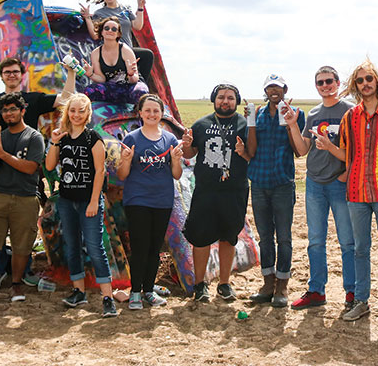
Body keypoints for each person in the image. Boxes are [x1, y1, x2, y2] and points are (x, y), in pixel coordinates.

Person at [0, 49, 75, 290]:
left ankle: (25, 269)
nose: (11, 75)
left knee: (26, 222)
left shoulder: (32, 98)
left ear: (21, 75)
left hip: (28, 169)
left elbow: (65, 99)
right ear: (1, 76)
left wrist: (71, 72)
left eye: (15, 72)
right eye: (7, 72)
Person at [315, 59, 378, 326]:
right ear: (355, 86)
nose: (365, 84)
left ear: (376, 82)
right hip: (356, 193)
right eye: (360, 80)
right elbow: (347, 154)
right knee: (360, 249)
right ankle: (361, 300)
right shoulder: (350, 117)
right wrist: (328, 147)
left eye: (369, 79)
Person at [285, 66, 356, 311]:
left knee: (348, 241)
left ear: (337, 83)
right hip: (315, 183)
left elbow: (357, 149)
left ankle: (352, 291)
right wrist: (293, 125)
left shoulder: (349, 110)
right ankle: (316, 290)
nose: (325, 85)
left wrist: (345, 176)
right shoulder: (314, 113)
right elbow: (303, 150)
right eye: (320, 82)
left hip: (339, 183)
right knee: (315, 240)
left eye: (329, 81)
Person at [44, 93, 117, 317]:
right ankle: (79, 292)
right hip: (67, 200)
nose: (76, 115)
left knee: (95, 247)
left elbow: (99, 171)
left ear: (87, 114)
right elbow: (49, 165)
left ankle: (108, 298)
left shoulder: (93, 138)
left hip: (88, 201)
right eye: (72, 110)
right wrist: (55, 142)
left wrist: (94, 200)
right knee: (72, 246)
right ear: (67, 113)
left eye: (81, 111)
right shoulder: (62, 137)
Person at [181, 83, 250, 303]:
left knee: (228, 237)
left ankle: (224, 283)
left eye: (230, 98)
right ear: (214, 100)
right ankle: (200, 284)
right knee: (200, 238)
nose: (225, 101)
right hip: (206, 190)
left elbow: (252, 154)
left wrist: (243, 151)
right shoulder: (201, 124)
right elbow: (190, 153)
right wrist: (187, 145)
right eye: (221, 97)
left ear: (236, 102)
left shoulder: (245, 125)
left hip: (234, 190)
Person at [0, 93, 45, 304]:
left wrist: (4, 154)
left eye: (13, 109)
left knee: (21, 246)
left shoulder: (34, 137)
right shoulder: (0, 138)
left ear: (22, 111)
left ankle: (17, 285)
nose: (9, 114)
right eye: (5, 110)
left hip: (25, 197)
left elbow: (30, 168)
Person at [245, 74, 306, 308]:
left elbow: (298, 150)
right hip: (259, 182)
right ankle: (267, 283)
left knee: (284, 237)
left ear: (284, 90)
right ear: (265, 91)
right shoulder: (258, 113)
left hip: (282, 182)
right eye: (270, 87)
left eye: (277, 87)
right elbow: (251, 150)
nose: (274, 91)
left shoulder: (295, 113)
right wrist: (250, 123)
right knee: (265, 238)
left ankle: (282, 284)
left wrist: (291, 123)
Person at [116, 94, 182, 310]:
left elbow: (176, 175)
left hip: (162, 200)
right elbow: (123, 175)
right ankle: (135, 292)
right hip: (138, 200)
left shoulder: (170, 140)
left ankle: (148, 290)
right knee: (140, 246)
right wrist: (125, 161)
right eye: (148, 110)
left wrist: (176, 161)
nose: (152, 114)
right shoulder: (132, 139)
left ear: (162, 114)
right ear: (141, 113)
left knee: (154, 248)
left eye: (156, 111)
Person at [80, 0, 154, 85]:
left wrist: (140, 8)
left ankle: (140, 85)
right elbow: (95, 35)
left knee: (147, 55)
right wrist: (87, 18)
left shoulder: (126, 9)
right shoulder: (100, 13)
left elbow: (137, 26)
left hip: (127, 50)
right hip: (110, 53)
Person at [82, 16, 149, 105]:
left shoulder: (125, 50)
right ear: (101, 32)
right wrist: (91, 74)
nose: (110, 31)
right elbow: (102, 79)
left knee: (141, 91)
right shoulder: (96, 53)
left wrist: (131, 74)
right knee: (89, 91)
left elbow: (134, 80)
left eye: (114, 29)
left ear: (118, 34)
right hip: (111, 88)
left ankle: (136, 116)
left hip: (129, 87)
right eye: (106, 28)